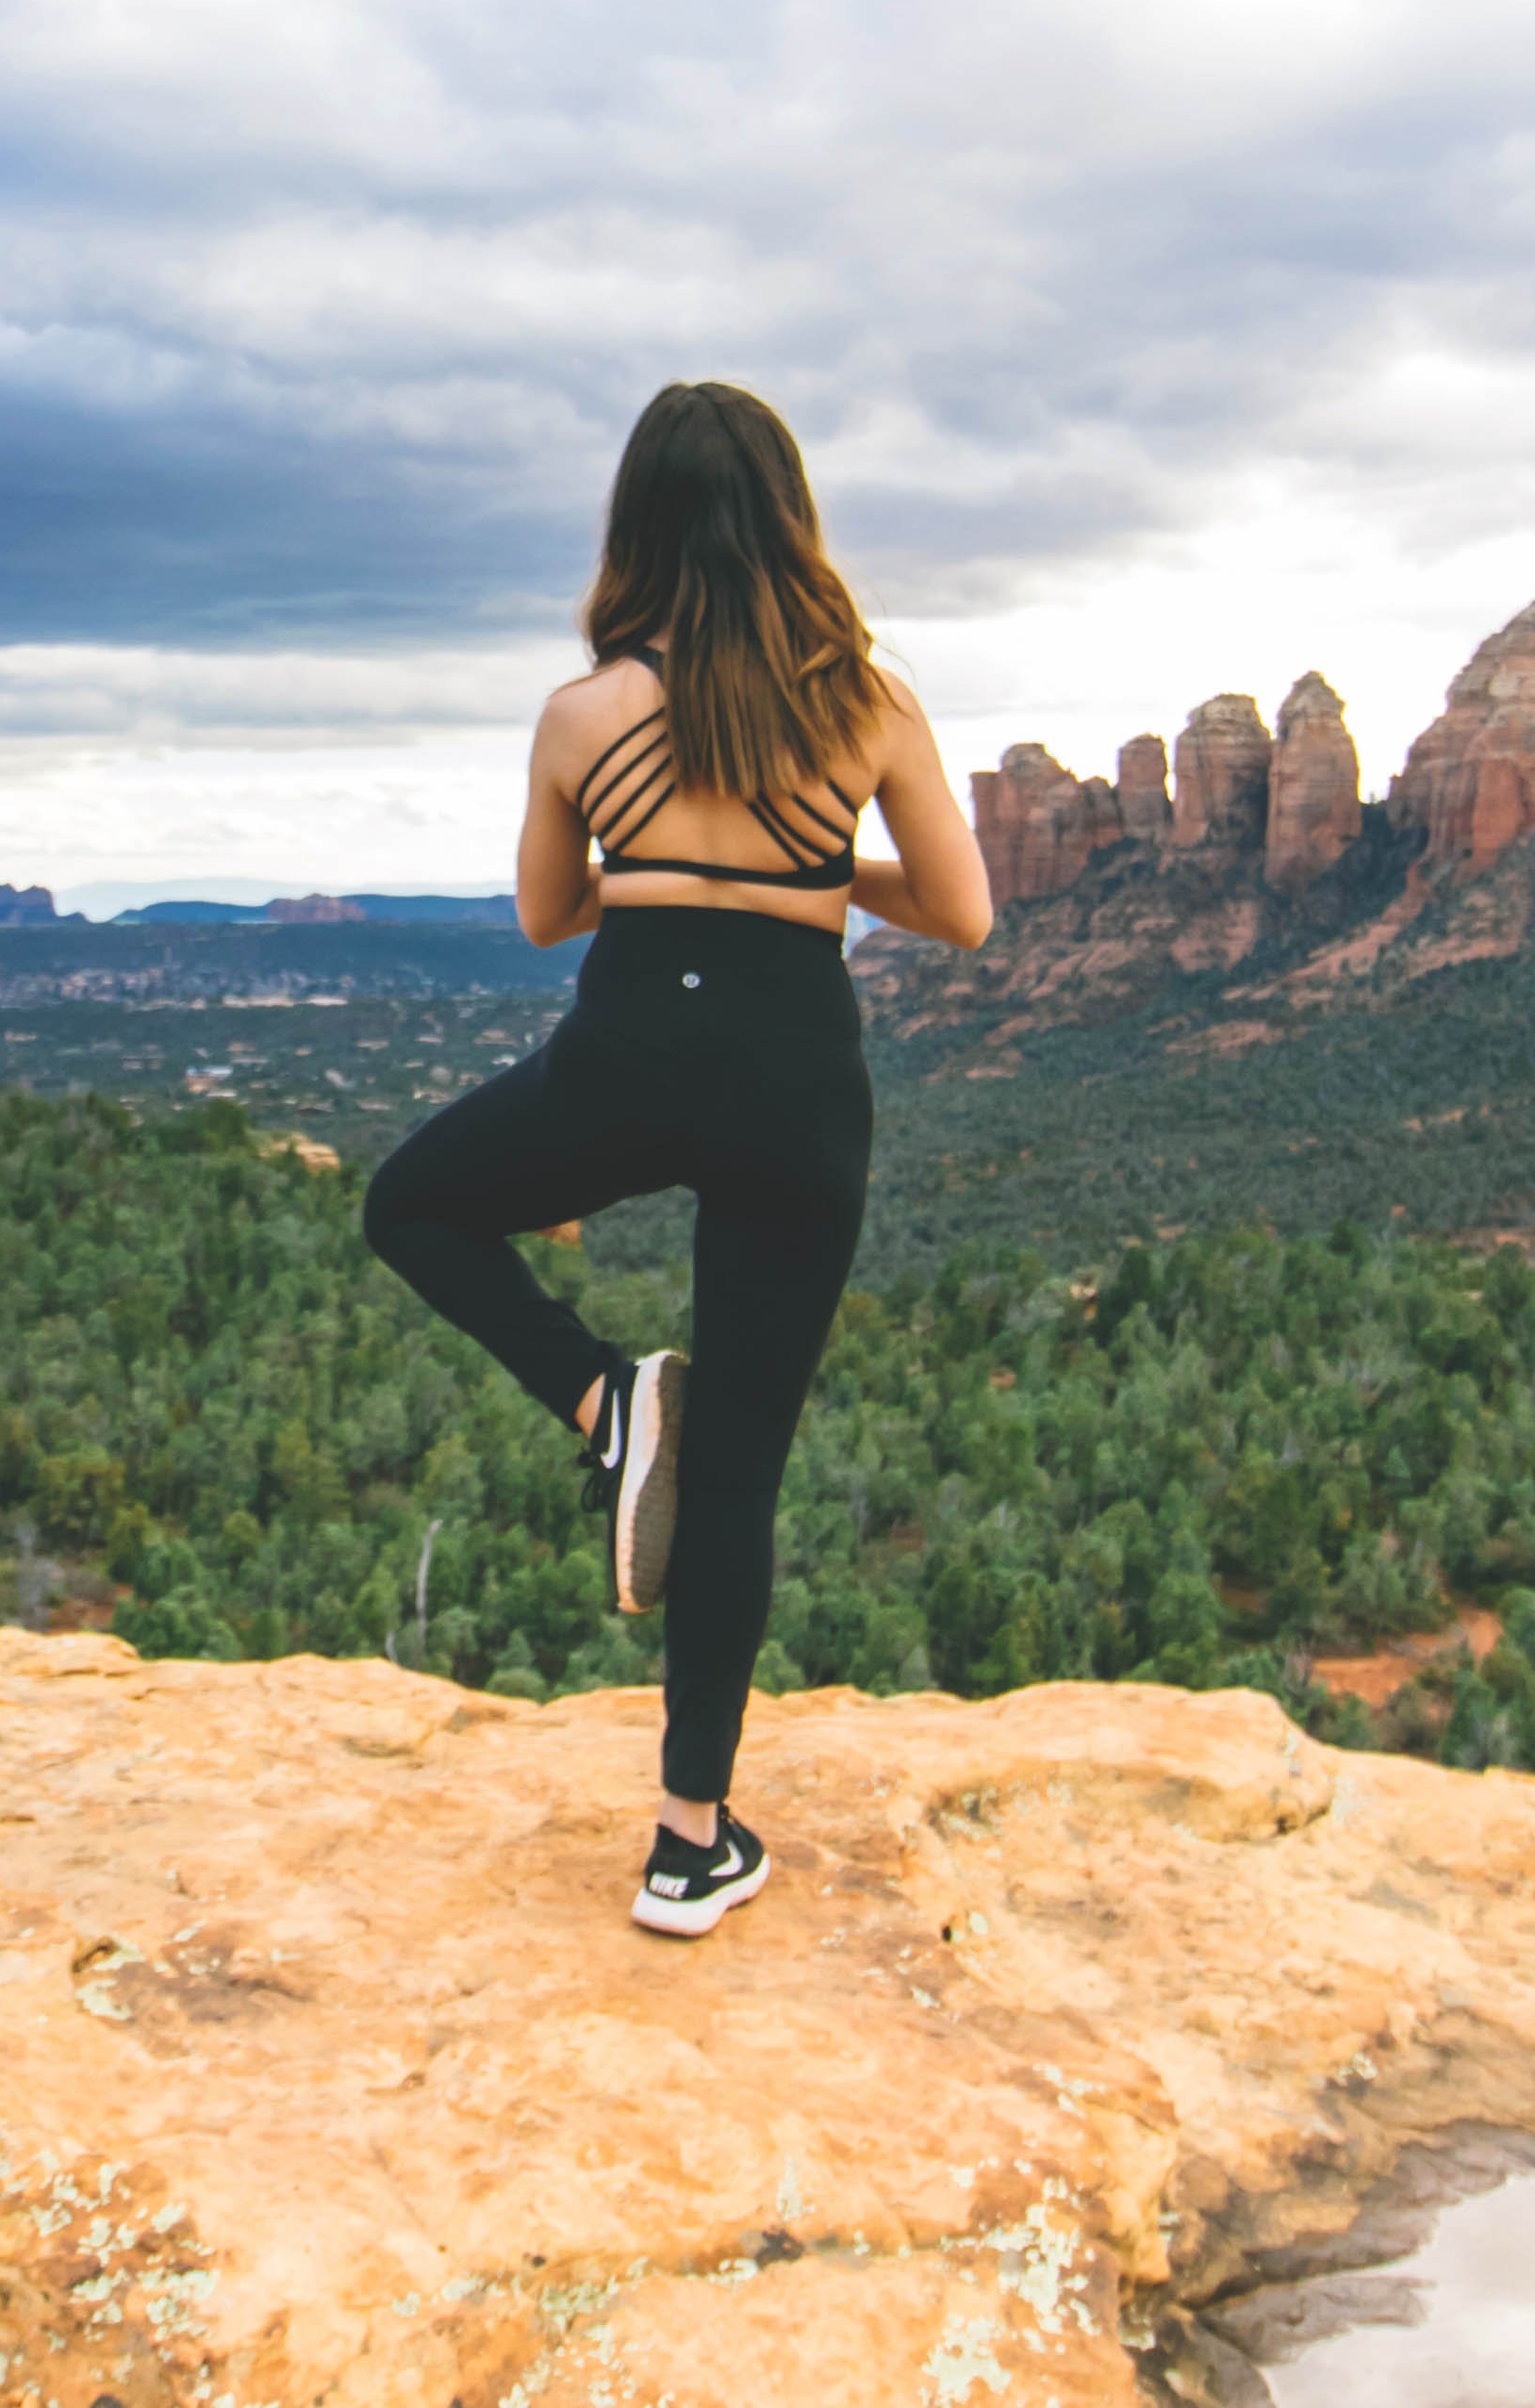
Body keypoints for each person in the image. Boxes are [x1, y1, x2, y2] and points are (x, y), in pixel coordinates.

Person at [362, 380, 994, 1936]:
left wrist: (669, 860)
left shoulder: (581, 716)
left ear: (637, 523)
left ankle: (598, 1393)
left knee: (414, 1205)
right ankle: (687, 1841)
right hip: (797, 1079)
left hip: (632, 1048)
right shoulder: (867, 702)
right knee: (742, 1476)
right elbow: (965, 912)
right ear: (792, 517)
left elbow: (547, 915)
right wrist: (811, 864)